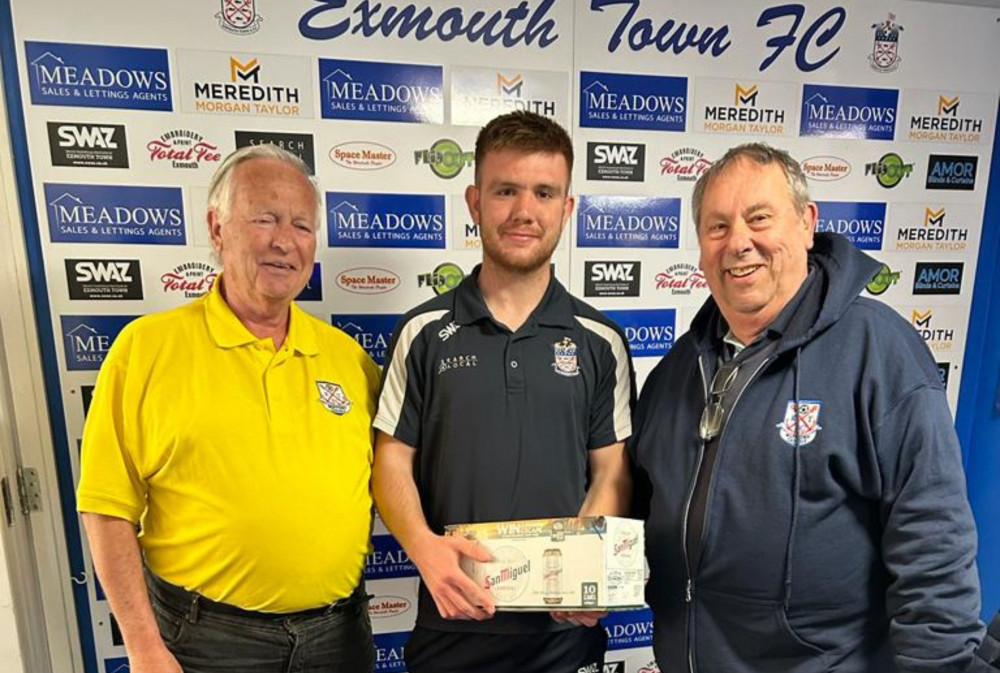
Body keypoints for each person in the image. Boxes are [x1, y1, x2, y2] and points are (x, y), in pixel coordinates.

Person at [628, 142, 989, 673]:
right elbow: (633, 511)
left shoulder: (878, 351)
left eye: (759, 219)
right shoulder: (676, 371)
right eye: (718, 227)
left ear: (805, 223)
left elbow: (933, 547)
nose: (739, 244)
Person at [77, 144, 380, 673]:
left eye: (302, 226)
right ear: (217, 230)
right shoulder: (146, 349)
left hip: (340, 636)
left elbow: (399, 479)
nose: (284, 241)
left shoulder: (348, 358)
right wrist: (144, 647)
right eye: (264, 218)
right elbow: (106, 507)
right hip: (205, 641)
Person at [371, 110, 635, 673]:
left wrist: (586, 571)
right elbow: (390, 460)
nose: (523, 211)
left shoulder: (600, 340)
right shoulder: (422, 333)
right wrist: (423, 548)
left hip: (563, 637)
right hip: (453, 624)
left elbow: (612, 472)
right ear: (474, 202)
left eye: (543, 193)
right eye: (505, 190)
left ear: (566, 210)